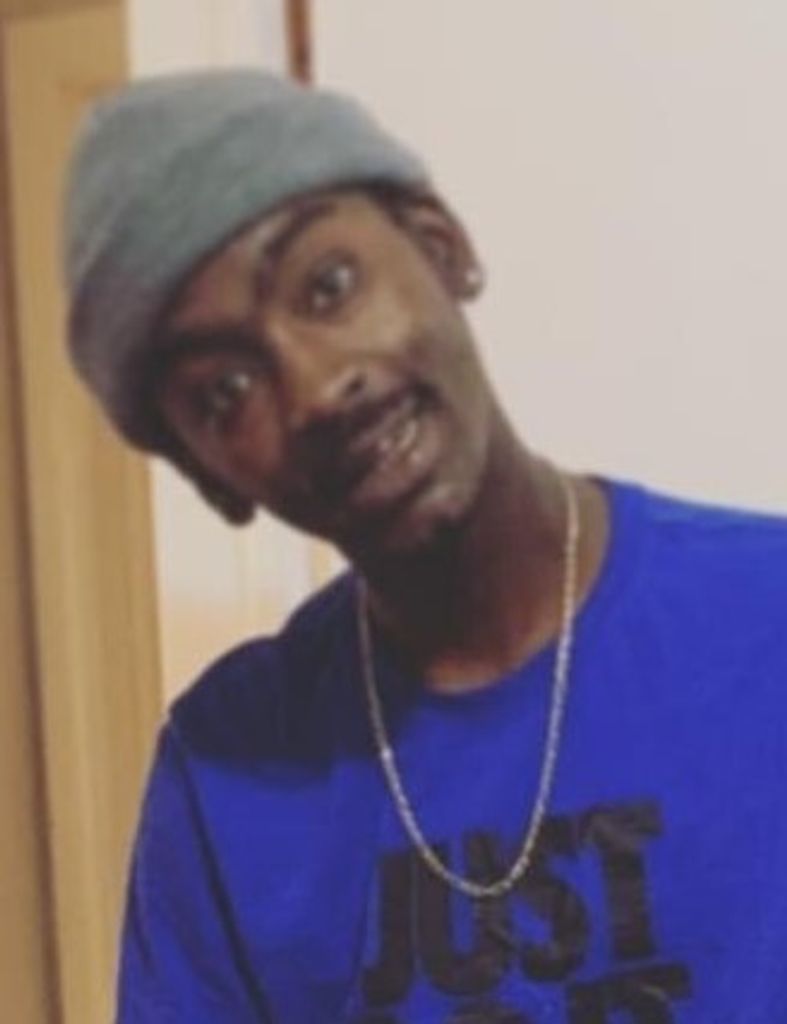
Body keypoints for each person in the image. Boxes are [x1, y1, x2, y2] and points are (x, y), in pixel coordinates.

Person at [63, 69, 787, 1024]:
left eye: (328, 287)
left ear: (442, 246)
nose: (316, 391)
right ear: (209, 477)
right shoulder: (226, 771)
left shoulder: (765, 618)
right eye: (224, 393)